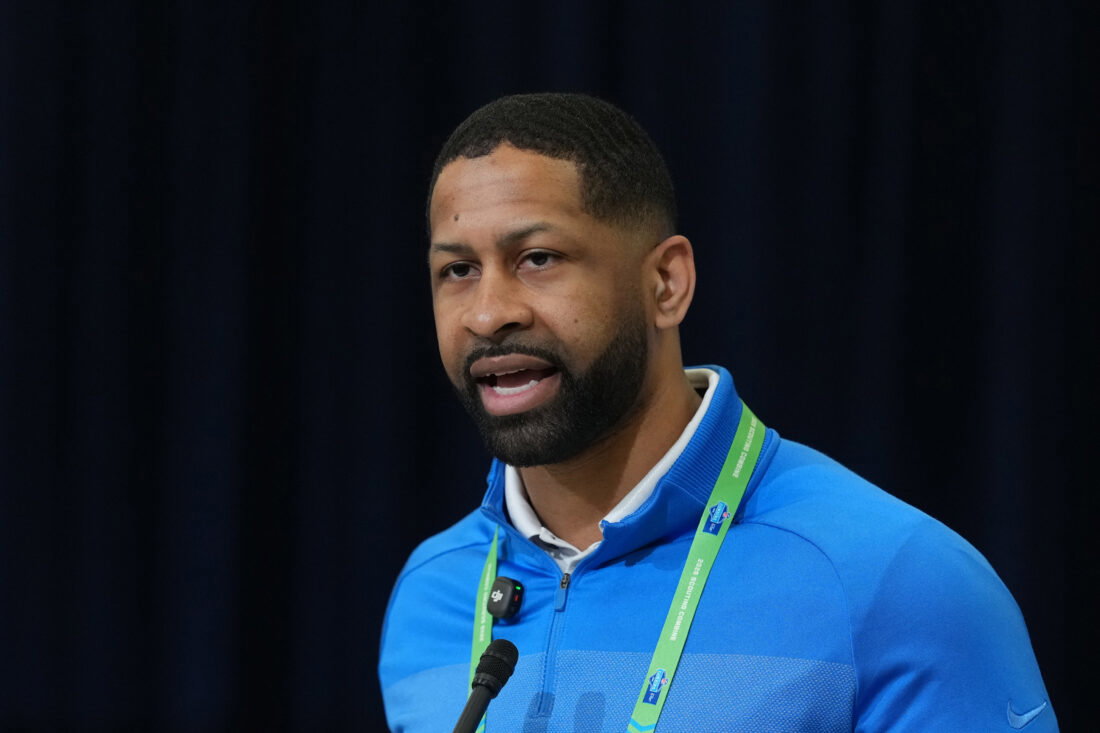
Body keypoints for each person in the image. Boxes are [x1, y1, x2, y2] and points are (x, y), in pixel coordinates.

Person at [378, 93, 1056, 732]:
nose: (491, 313)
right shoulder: (431, 591)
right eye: (457, 270)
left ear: (665, 284)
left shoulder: (898, 581)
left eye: (538, 258)